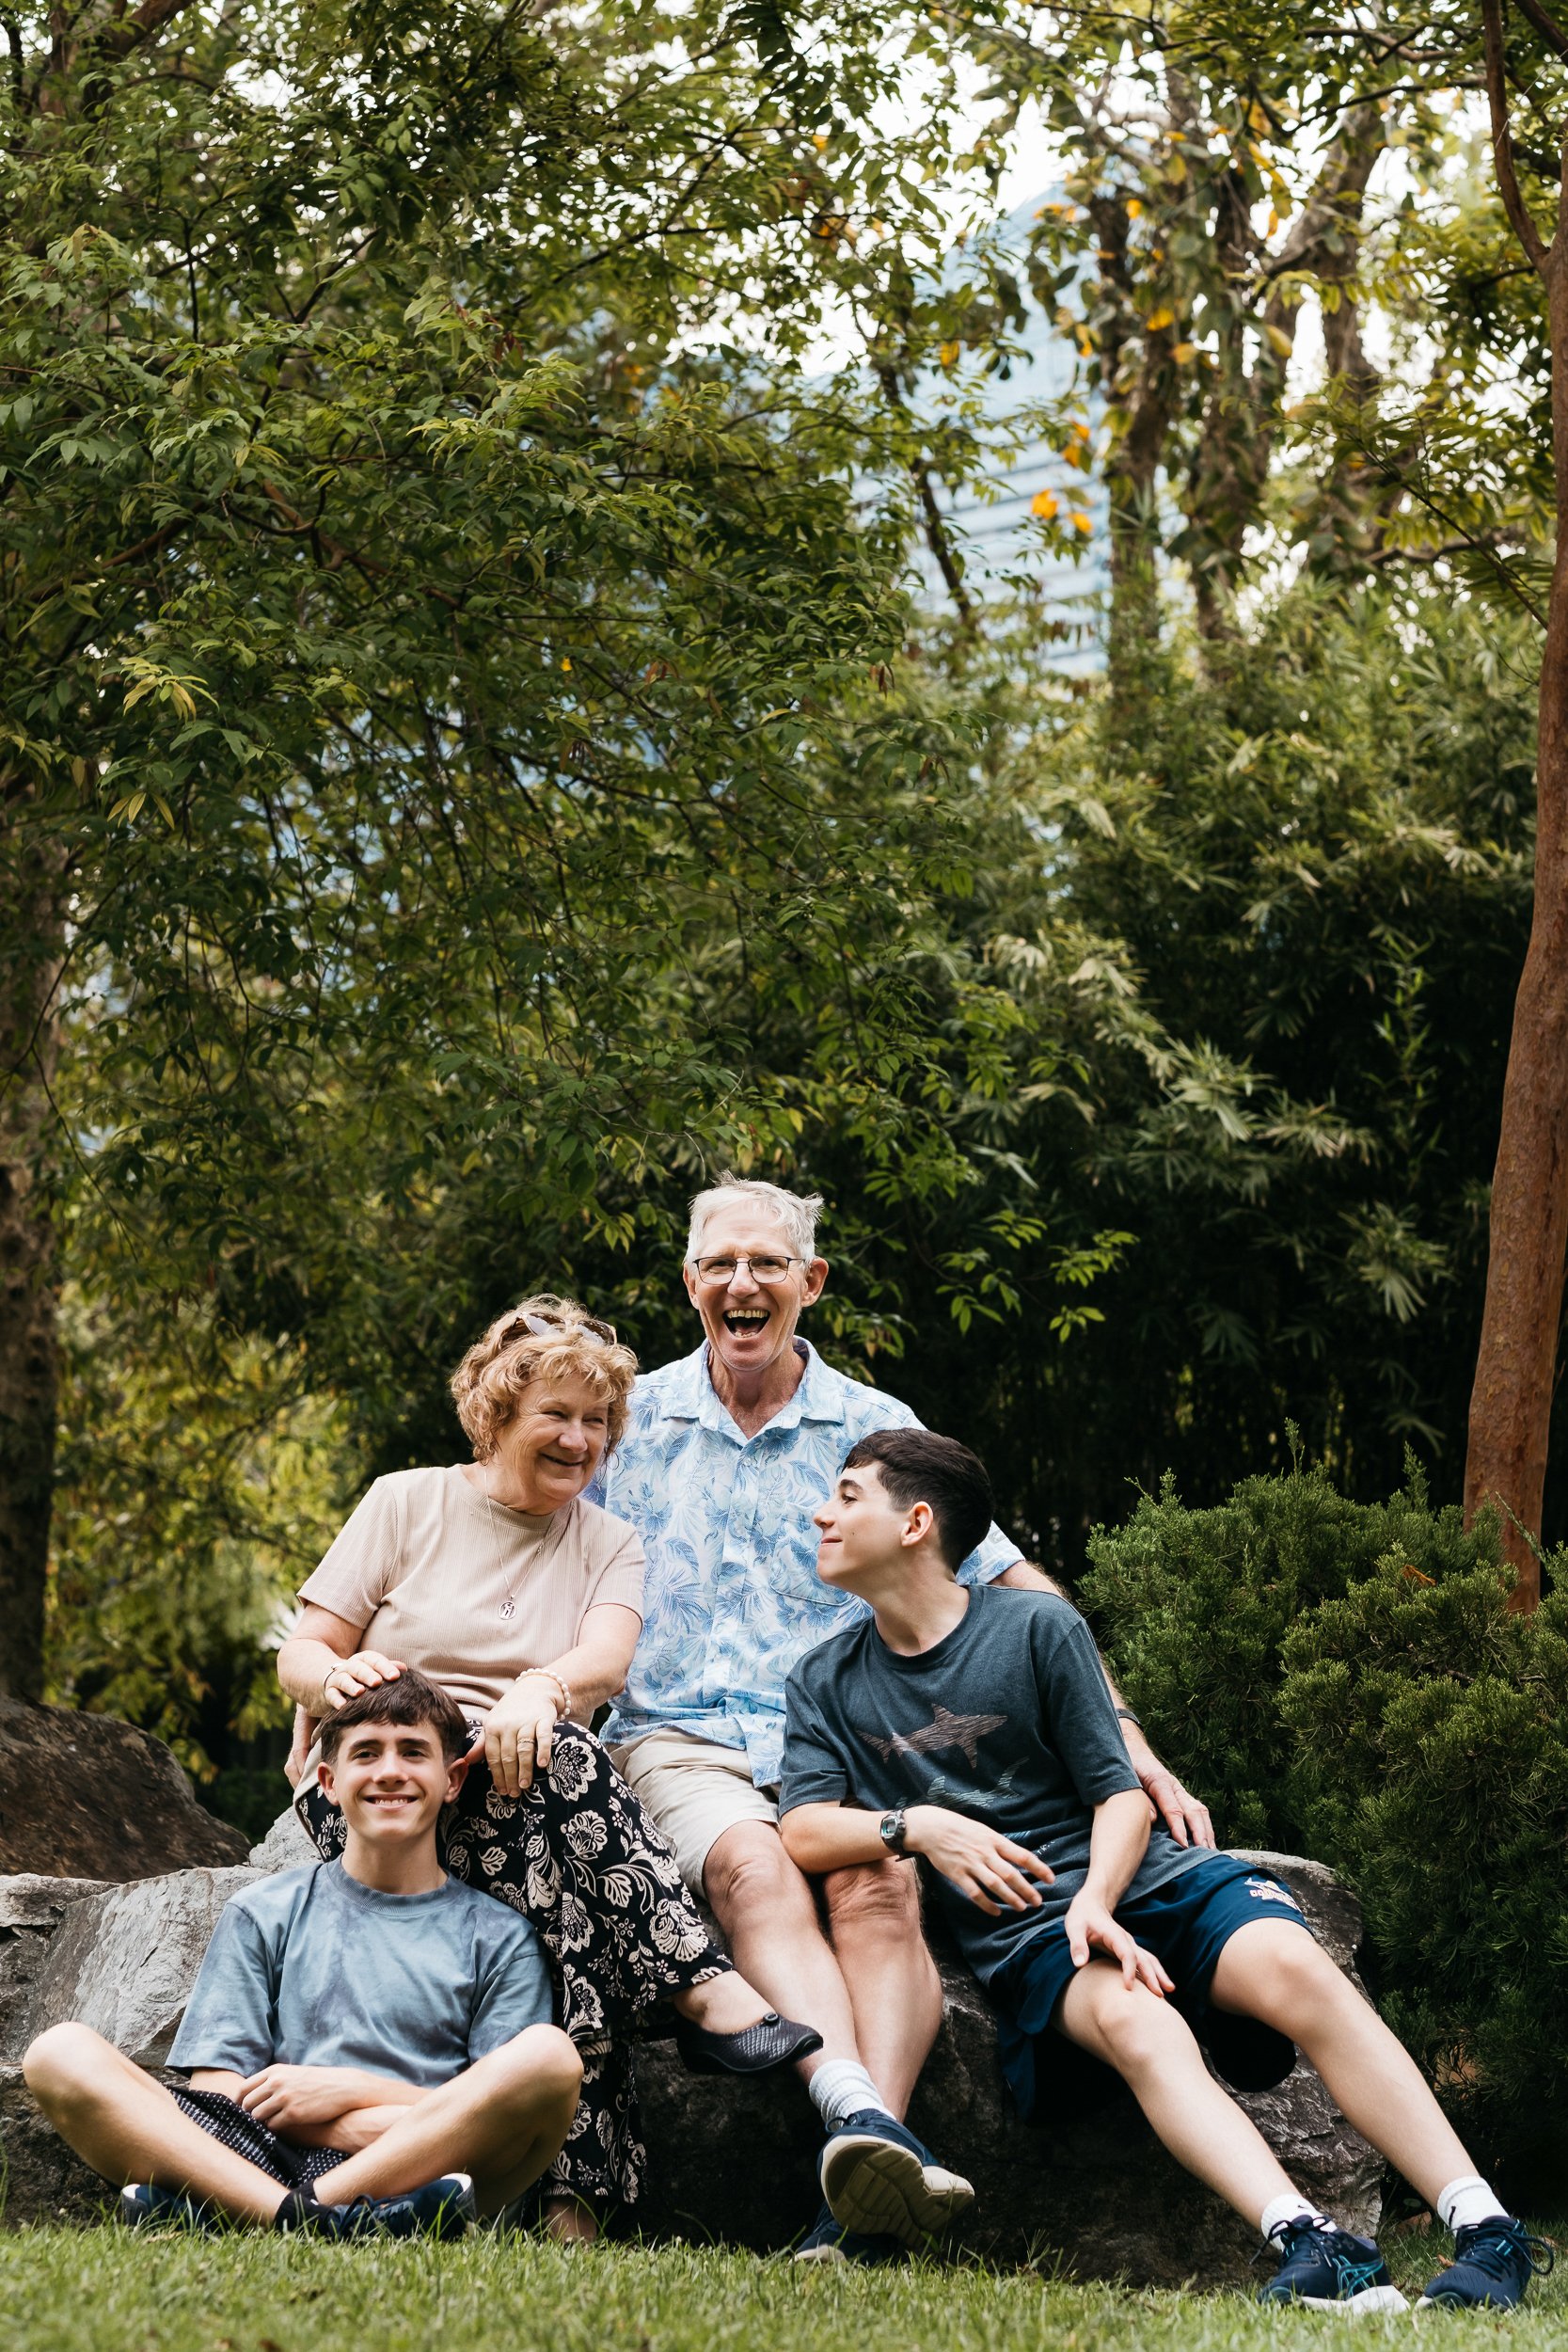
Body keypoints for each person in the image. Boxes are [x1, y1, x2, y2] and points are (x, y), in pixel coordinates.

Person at [778, 1427, 1553, 2313]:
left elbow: (1120, 1796)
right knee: (1136, 2025)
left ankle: (1486, 2230)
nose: (821, 1514)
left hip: (1147, 1880)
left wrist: (1098, 1901)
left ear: (915, 1523)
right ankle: (1313, 2243)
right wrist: (915, 1826)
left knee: (1297, 1966)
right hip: (1030, 1932)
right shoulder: (825, 1679)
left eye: (846, 1496)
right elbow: (802, 1828)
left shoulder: (1036, 1626)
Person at [594, 1176, 1215, 2258]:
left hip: (846, 1738)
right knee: (751, 1867)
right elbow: (523, 1532)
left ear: (810, 1280)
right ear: (689, 1282)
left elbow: (1011, 1580)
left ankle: (861, 2183)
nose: (742, 1283)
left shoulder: (873, 1429)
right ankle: (868, 2128)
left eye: (766, 1263)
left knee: (879, 1883)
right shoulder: (626, 1421)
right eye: (719, 1263)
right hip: (682, 1738)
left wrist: (1126, 1734)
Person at [276, 1295, 816, 2242]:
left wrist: (538, 1689)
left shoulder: (609, 1542)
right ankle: (693, 1993)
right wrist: (333, 1675)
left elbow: (603, 1661)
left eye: (596, 1420)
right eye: (555, 1415)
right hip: (389, 1781)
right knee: (568, 1759)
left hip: (527, 1791)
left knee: (563, 1897)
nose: (578, 1439)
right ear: (496, 1417)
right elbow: (301, 1650)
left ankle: (564, 2202)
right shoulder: (406, 1500)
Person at [24, 1671, 583, 2235]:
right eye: (366, 1753)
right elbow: (220, 2095)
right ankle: (316, 2219)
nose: (390, 1771)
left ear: (453, 1779)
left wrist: (347, 2093)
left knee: (550, 2057)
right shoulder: (264, 1911)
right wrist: (342, 2124)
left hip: (422, 2169)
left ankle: (252, 2216)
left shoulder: (501, 1938)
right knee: (59, 2053)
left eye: (414, 1751)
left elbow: (490, 2108)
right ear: (329, 1782)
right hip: (261, 2153)